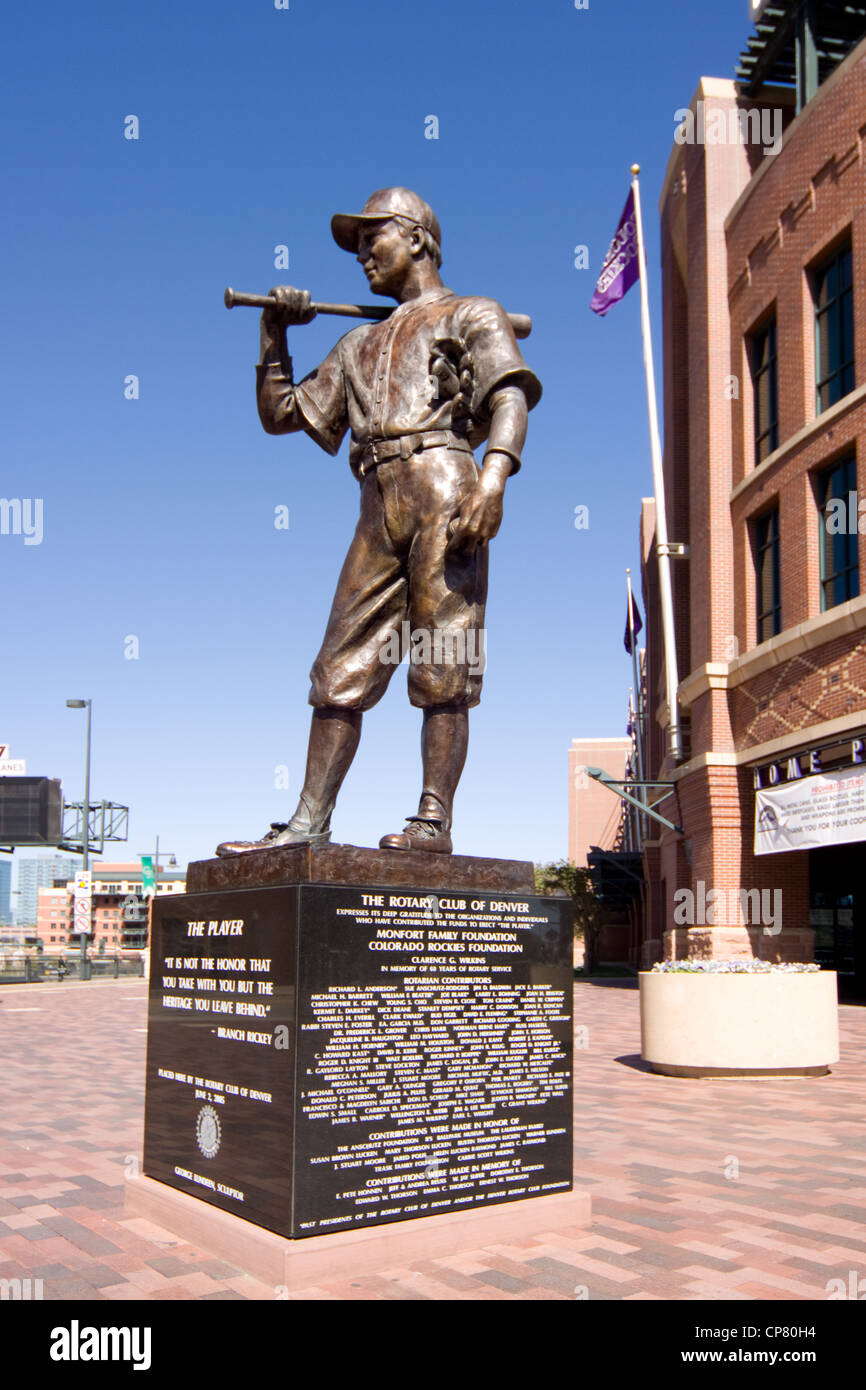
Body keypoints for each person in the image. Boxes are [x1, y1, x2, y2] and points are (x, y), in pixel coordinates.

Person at [217, 188, 541, 857]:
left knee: (444, 662)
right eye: (358, 245)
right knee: (338, 667)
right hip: (377, 499)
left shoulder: (470, 311)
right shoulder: (357, 342)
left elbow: (509, 393)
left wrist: (494, 477)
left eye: (375, 239)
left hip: (445, 485)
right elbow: (282, 415)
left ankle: (433, 821)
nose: (363, 254)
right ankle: (309, 820)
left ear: (417, 238)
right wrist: (273, 333)